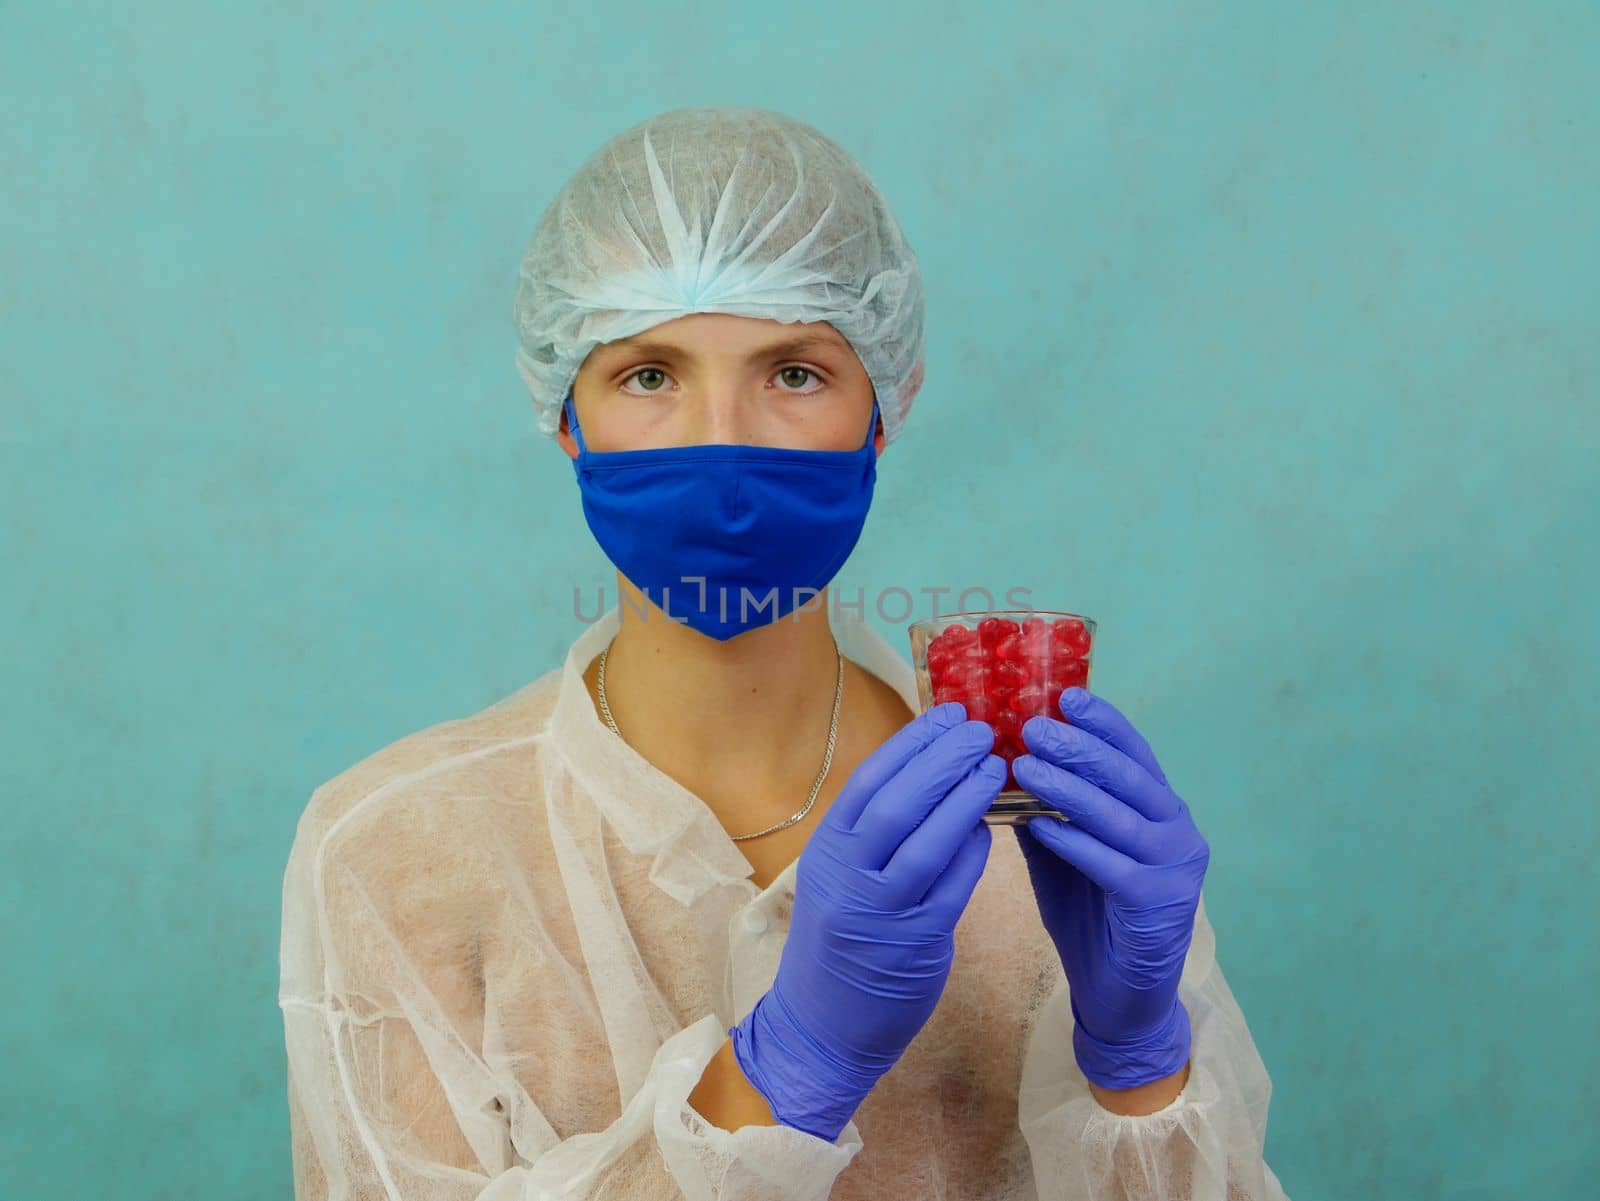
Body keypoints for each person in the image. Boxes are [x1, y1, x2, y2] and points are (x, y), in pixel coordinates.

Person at [278, 105, 1291, 1200]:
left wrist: (1138, 1064)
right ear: (565, 413)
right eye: (649, 376)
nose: (725, 445)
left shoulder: (1043, 832)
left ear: (883, 410)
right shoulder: (401, 854)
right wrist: (786, 1073)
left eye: (795, 373)